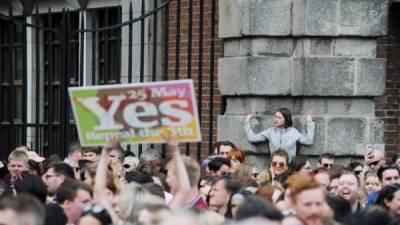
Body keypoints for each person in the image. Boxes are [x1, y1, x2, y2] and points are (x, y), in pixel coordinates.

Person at [244, 107, 314, 161]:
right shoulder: (270, 131)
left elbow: (308, 141)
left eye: (279, 118)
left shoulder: (293, 132)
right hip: (275, 166)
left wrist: (309, 123)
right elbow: (252, 138)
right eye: (275, 117)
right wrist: (247, 122)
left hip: (289, 167)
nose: (276, 119)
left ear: (286, 119)